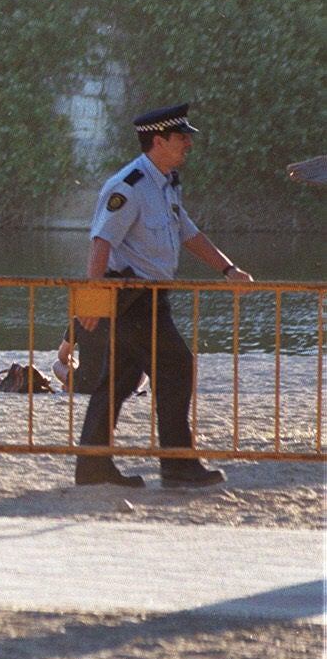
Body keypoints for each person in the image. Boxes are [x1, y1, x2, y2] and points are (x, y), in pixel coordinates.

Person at [74, 102, 252, 489]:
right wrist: (90, 299)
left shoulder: (165, 183)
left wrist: (228, 269)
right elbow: (101, 241)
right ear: (159, 140)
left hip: (149, 296)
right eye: (181, 136)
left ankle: (92, 466)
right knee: (175, 369)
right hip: (133, 296)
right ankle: (176, 464)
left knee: (118, 382)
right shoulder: (130, 185)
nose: (188, 143)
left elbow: (188, 233)